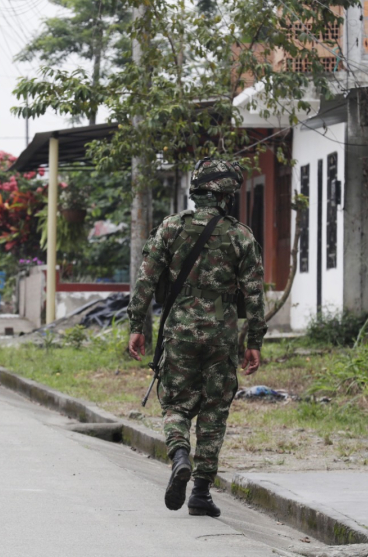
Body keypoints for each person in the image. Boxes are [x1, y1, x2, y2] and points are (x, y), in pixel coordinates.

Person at [127, 159, 268, 518]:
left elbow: (145, 280)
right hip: (221, 337)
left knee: (175, 405)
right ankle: (201, 493)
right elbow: (254, 295)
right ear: (226, 195)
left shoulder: (171, 228)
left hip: (180, 334)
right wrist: (254, 341)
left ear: (197, 191)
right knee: (214, 411)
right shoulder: (241, 236)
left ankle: (179, 455)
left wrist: (137, 326)